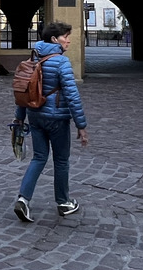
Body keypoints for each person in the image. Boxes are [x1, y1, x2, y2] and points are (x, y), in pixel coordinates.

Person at [13, 21, 89, 223]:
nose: (69, 40)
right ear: (55, 39)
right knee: (61, 160)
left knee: (39, 158)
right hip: (57, 119)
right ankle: (64, 203)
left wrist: (20, 116)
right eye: (66, 36)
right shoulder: (61, 62)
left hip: (35, 116)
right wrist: (81, 125)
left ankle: (23, 199)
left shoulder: (33, 57)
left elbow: (24, 90)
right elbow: (72, 95)